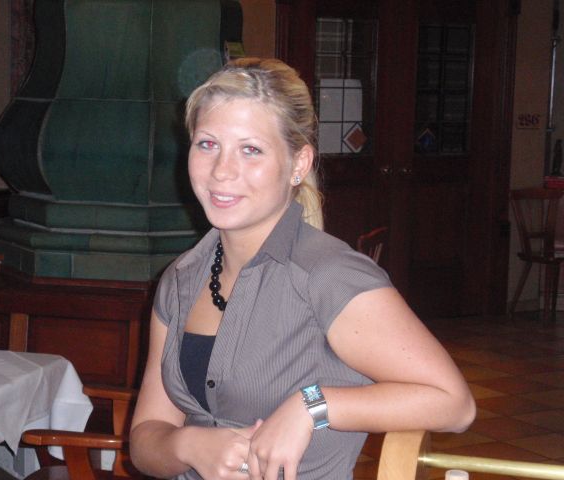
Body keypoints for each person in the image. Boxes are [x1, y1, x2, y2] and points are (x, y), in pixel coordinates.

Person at [129, 57, 475, 480]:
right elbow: (145, 440)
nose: (222, 170)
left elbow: (455, 404)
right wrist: (188, 444)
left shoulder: (329, 276)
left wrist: (312, 405)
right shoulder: (181, 279)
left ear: (299, 164)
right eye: (207, 144)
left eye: (250, 150)